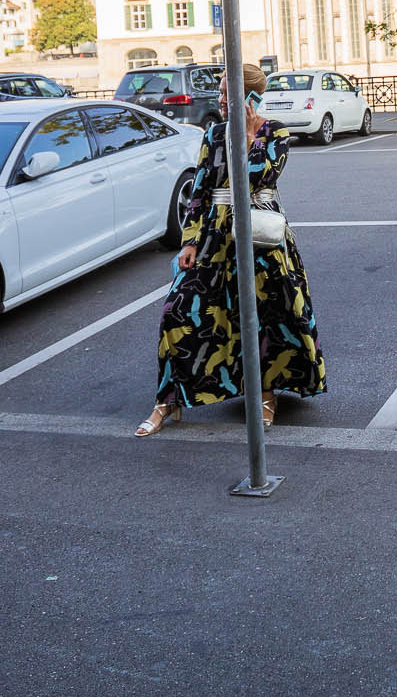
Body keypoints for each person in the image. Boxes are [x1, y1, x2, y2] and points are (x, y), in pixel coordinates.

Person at [136, 63, 324, 435]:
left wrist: (251, 136)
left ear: (251, 96)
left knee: (267, 314)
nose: (221, 99)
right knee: (177, 311)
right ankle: (168, 400)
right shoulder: (213, 134)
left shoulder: (276, 131)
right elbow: (200, 190)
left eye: (228, 93)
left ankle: (266, 394)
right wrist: (190, 240)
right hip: (214, 235)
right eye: (221, 92)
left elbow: (259, 177)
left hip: (259, 233)